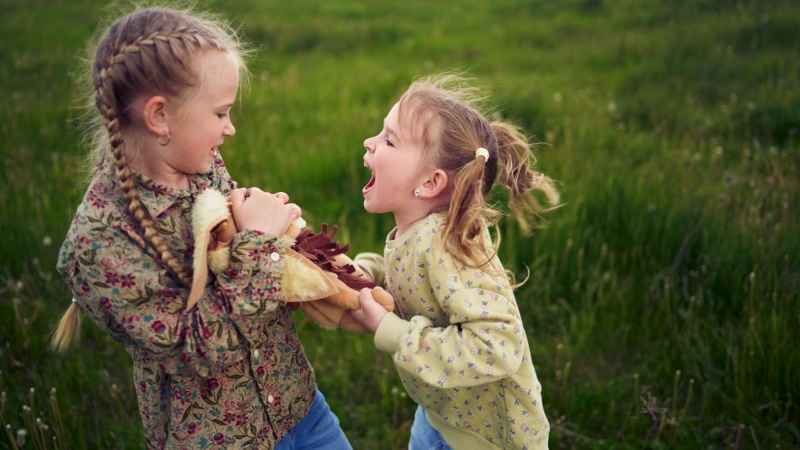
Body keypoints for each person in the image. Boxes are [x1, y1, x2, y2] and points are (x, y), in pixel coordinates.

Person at [51, 6, 350, 449]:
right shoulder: (99, 245)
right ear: (159, 117)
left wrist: (299, 254)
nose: (230, 128)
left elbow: (235, 256)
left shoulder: (201, 165)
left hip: (298, 409)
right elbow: (199, 350)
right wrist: (261, 243)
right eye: (220, 113)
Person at [350, 74, 559, 450]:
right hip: (441, 414)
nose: (370, 142)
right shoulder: (418, 233)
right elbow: (413, 276)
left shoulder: (446, 247)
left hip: (486, 439)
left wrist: (391, 330)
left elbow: (498, 344)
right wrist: (367, 272)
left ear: (430, 183)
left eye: (389, 139)